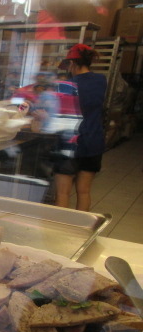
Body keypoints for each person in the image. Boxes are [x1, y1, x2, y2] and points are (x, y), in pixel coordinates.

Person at [54, 44, 106, 211]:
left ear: (72, 63)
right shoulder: (101, 80)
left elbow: (59, 114)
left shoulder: (67, 85)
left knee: (63, 193)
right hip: (93, 141)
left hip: (70, 143)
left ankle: (61, 226)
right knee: (84, 192)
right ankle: (80, 226)